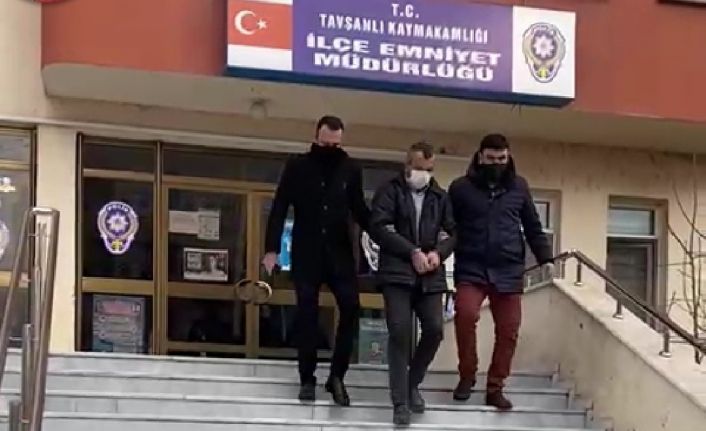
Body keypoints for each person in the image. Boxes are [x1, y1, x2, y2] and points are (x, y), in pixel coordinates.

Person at [262, 115, 370, 406]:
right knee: (307, 315)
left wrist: (386, 239)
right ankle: (307, 379)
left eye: (335, 145)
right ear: (315, 138)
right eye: (325, 144)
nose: (330, 149)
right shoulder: (297, 166)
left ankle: (337, 376)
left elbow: (360, 210)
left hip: (340, 253)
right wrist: (272, 249)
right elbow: (280, 206)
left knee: (351, 307)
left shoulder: (351, 169)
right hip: (306, 252)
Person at [448, 134, 555, 410]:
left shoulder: (519, 187)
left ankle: (495, 387)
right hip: (471, 267)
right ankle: (467, 375)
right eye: (491, 158)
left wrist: (546, 258)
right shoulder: (460, 188)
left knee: (509, 330)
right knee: (465, 316)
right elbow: (448, 227)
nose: (496, 163)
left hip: (508, 269)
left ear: (508, 158)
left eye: (502, 159)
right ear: (480, 157)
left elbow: (533, 226)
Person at [370, 142, 456, 425]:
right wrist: (411, 252)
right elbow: (379, 227)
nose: (424, 174)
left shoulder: (440, 197)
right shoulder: (389, 191)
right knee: (400, 332)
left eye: (429, 169)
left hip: (430, 276)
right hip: (396, 274)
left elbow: (452, 232)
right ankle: (400, 403)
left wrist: (438, 254)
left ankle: (411, 383)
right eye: (420, 168)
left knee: (434, 330)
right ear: (407, 165)